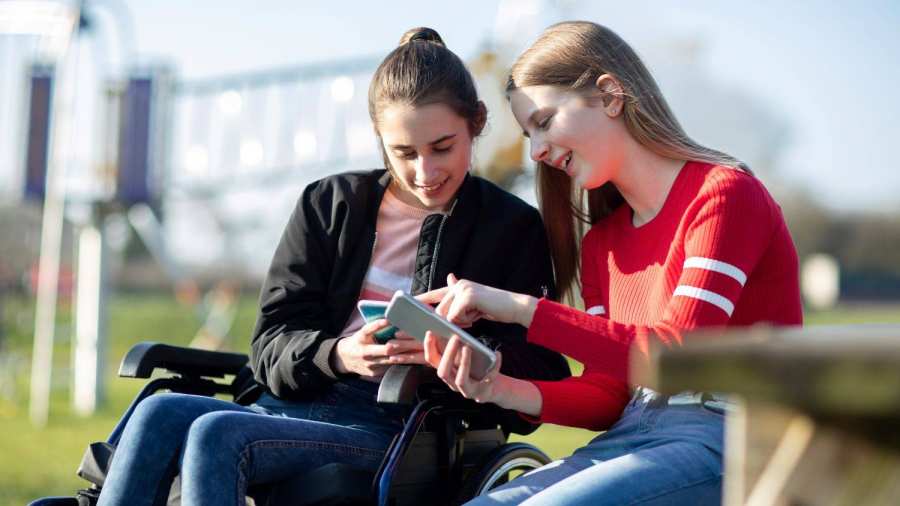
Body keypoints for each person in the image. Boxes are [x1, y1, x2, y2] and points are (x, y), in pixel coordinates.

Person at [93, 27, 568, 506]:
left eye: (442, 148)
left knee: (217, 432)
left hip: (396, 424)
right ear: (380, 139)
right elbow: (270, 344)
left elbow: (545, 373)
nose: (425, 172)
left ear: (477, 122)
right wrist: (341, 354)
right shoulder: (327, 204)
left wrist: (447, 354)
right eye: (403, 153)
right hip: (283, 406)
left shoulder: (511, 227)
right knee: (157, 411)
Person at [419, 21, 803, 505]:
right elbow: (607, 396)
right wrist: (497, 386)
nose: (535, 151)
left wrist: (520, 309)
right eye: (527, 133)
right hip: (634, 433)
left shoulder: (724, 194)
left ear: (609, 95)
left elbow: (678, 356)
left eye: (543, 122)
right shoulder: (602, 244)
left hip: (731, 437)